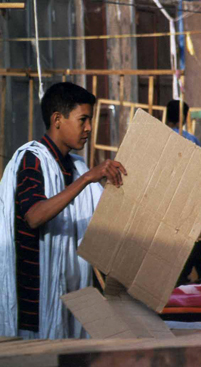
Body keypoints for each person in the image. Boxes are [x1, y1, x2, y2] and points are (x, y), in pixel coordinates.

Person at [0, 82, 127, 339]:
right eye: (83, 120)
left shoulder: (76, 167)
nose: (89, 128)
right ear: (57, 119)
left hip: (72, 300)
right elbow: (34, 216)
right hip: (32, 305)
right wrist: (87, 179)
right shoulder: (31, 159)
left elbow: (104, 223)